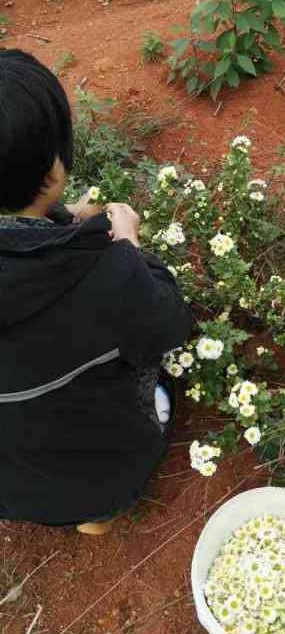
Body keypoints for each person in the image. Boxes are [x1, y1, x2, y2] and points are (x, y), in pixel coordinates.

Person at [0, 49, 192, 534]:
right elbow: (167, 322)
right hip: (99, 474)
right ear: (54, 168)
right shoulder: (102, 270)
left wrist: (60, 222)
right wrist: (127, 246)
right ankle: (99, 512)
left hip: (12, 488)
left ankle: (80, 511)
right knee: (161, 379)